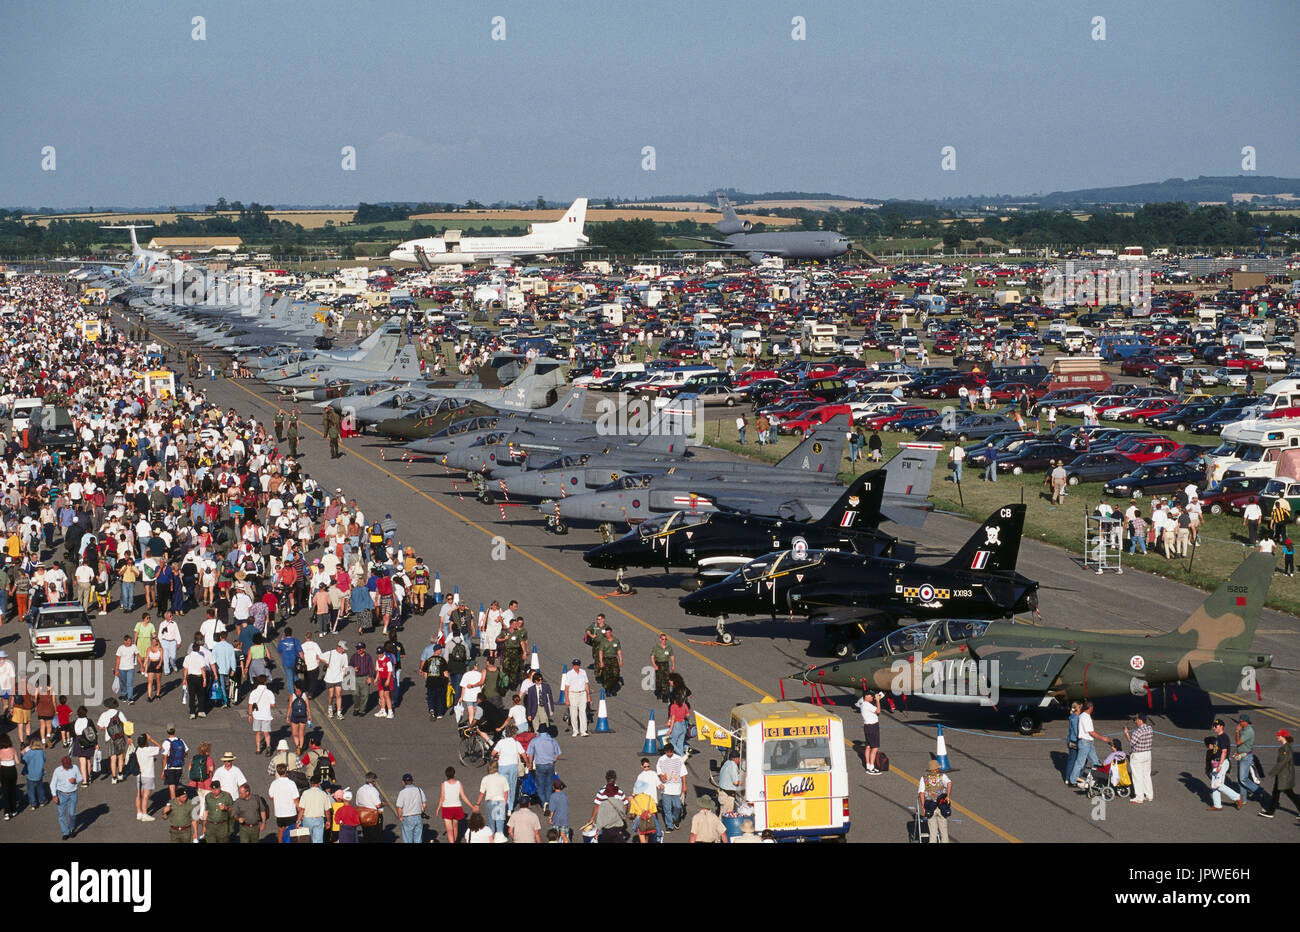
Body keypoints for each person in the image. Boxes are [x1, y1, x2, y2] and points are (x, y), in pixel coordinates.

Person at [1257, 729, 1299, 819]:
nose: (1277, 736)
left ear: (1283, 736)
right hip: (1282, 775)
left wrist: (1273, 772)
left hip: (1284, 776)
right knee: (1277, 793)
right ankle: (1270, 811)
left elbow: (1283, 763)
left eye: (1278, 735)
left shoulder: (1286, 748)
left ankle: (1270, 812)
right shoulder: (1285, 747)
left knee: (1289, 793)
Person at [1206, 719, 1242, 811]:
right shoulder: (1218, 738)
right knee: (1214, 784)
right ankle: (1217, 805)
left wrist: (1220, 765)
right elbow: (1217, 750)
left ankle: (1237, 797)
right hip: (1216, 762)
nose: (1214, 727)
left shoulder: (1224, 737)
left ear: (1221, 726)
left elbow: (1224, 752)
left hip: (1222, 762)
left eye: (1216, 726)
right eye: (1213, 725)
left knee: (1219, 784)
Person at [1068, 701, 1106, 786]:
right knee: (1080, 762)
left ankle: (1100, 778)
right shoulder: (1085, 717)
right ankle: (1073, 780)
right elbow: (1091, 732)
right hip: (1085, 742)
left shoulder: (1083, 716)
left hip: (1088, 742)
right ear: (1090, 708)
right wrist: (1102, 738)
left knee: (1095, 761)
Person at [918, 761, 953, 843]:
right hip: (942, 806)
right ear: (937, 769)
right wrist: (948, 796)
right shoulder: (942, 776)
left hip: (930, 806)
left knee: (933, 831)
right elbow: (949, 783)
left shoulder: (924, 778)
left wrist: (923, 807)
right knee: (943, 830)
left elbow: (921, 793)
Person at [439, 766, 476, 843]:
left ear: (446, 775)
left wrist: (438, 807)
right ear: (454, 774)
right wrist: (472, 806)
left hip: (446, 808)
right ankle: (455, 841)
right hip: (457, 808)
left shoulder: (443, 784)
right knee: (455, 826)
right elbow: (463, 796)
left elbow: (442, 797)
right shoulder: (458, 783)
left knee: (449, 830)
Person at [1123, 711, 1154, 803]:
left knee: (1137, 776)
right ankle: (1149, 795)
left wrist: (1127, 734)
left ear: (1140, 720)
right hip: (1148, 754)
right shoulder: (1150, 728)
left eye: (1136, 720)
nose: (1135, 722)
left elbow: (1132, 743)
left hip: (1138, 755)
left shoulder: (1138, 731)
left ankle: (1139, 797)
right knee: (1146, 775)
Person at [529, 725, 562, 811]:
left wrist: (530, 765)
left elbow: (530, 754)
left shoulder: (534, 740)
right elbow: (557, 754)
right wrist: (553, 761)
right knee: (549, 785)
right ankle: (548, 801)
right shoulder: (552, 740)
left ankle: (544, 802)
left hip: (540, 765)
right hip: (550, 765)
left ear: (539, 731)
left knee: (539, 786)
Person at [656, 743, 686, 832]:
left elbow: (683, 773)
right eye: (667, 752)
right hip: (666, 789)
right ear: (665, 752)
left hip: (676, 788)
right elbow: (659, 771)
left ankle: (675, 819)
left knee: (677, 806)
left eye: (670, 752)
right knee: (667, 808)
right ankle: (669, 825)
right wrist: (661, 776)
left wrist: (684, 785)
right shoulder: (661, 759)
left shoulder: (678, 759)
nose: (669, 754)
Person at [134, 732, 162, 821]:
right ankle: (145, 814)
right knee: (146, 795)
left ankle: (139, 812)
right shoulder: (149, 749)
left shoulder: (137, 750)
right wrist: (151, 739)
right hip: (148, 775)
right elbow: (160, 747)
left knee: (139, 794)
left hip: (139, 775)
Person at [297, 774, 332, 843]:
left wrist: (298, 821)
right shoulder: (323, 794)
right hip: (319, 819)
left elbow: (302, 809)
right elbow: (327, 810)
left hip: (307, 819)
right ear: (319, 783)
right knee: (318, 841)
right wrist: (328, 821)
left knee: (307, 839)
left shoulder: (305, 793)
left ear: (310, 783)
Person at [51, 755, 81, 839]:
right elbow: (53, 784)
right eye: (65, 766)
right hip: (61, 794)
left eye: (68, 766)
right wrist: (54, 795)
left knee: (72, 813)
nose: (67, 768)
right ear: (62, 764)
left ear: (70, 763)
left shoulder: (75, 768)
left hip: (73, 794)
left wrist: (75, 781)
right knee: (61, 814)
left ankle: (71, 828)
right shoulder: (57, 771)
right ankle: (65, 832)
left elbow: (80, 778)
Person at [246, 675, 276, 756]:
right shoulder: (269, 692)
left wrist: (250, 715)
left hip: (257, 715)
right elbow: (273, 705)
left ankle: (258, 749)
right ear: (265, 682)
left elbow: (250, 705)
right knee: (266, 733)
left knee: (258, 733)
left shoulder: (254, 692)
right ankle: (268, 746)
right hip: (266, 715)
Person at [395, 772, 427, 843]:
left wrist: (400, 817)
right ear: (412, 781)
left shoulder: (402, 792)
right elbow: (424, 803)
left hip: (407, 817)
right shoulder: (419, 790)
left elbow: (399, 807)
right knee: (418, 839)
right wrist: (421, 810)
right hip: (418, 816)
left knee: (408, 839)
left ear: (403, 782)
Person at [1235, 715, 1261, 802]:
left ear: (1245, 722)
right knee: (1239, 779)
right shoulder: (1244, 729)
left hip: (1246, 757)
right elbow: (1239, 743)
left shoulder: (1248, 731)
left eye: (1240, 721)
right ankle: (1243, 799)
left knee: (1243, 779)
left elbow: (1238, 742)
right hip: (1241, 755)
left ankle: (1259, 791)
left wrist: (1237, 731)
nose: (1239, 722)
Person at [856, 689, 882, 774]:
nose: (872, 697)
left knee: (868, 746)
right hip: (873, 727)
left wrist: (875, 701)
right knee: (875, 747)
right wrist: (878, 701)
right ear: (866, 696)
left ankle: (868, 765)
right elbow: (878, 711)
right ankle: (871, 767)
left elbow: (874, 711)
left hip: (867, 726)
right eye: (871, 696)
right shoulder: (867, 705)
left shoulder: (863, 704)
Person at [562, 658, 590, 737]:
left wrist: (588, 697)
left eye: (577, 665)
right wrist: (567, 699)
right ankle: (575, 730)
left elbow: (586, 684)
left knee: (582, 712)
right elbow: (566, 688)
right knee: (573, 713)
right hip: (573, 694)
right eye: (575, 665)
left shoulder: (583, 672)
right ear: (573, 665)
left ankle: (583, 731)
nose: (576, 666)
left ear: (579, 665)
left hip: (582, 693)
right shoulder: (569, 674)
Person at [21, 734, 48, 812]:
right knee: (40, 788)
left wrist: (22, 753)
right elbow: (44, 760)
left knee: (31, 790)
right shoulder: (41, 752)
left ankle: (33, 804)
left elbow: (23, 761)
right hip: (39, 773)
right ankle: (42, 801)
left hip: (30, 774)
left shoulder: (29, 753)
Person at [717, 748, 743, 813]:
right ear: (735, 759)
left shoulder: (726, 763)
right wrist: (744, 782)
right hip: (728, 795)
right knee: (726, 814)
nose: (740, 760)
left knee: (722, 813)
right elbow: (735, 782)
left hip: (722, 792)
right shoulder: (733, 765)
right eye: (739, 758)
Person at [1063, 701, 1082, 786]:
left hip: (1070, 740)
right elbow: (1076, 730)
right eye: (1080, 707)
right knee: (1076, 760)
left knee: (1072, 759)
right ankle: (1073, 777)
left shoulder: (1072, 716)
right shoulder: (1076, 718)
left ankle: (1068, 778)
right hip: (1075, 741)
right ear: (1077, 708)